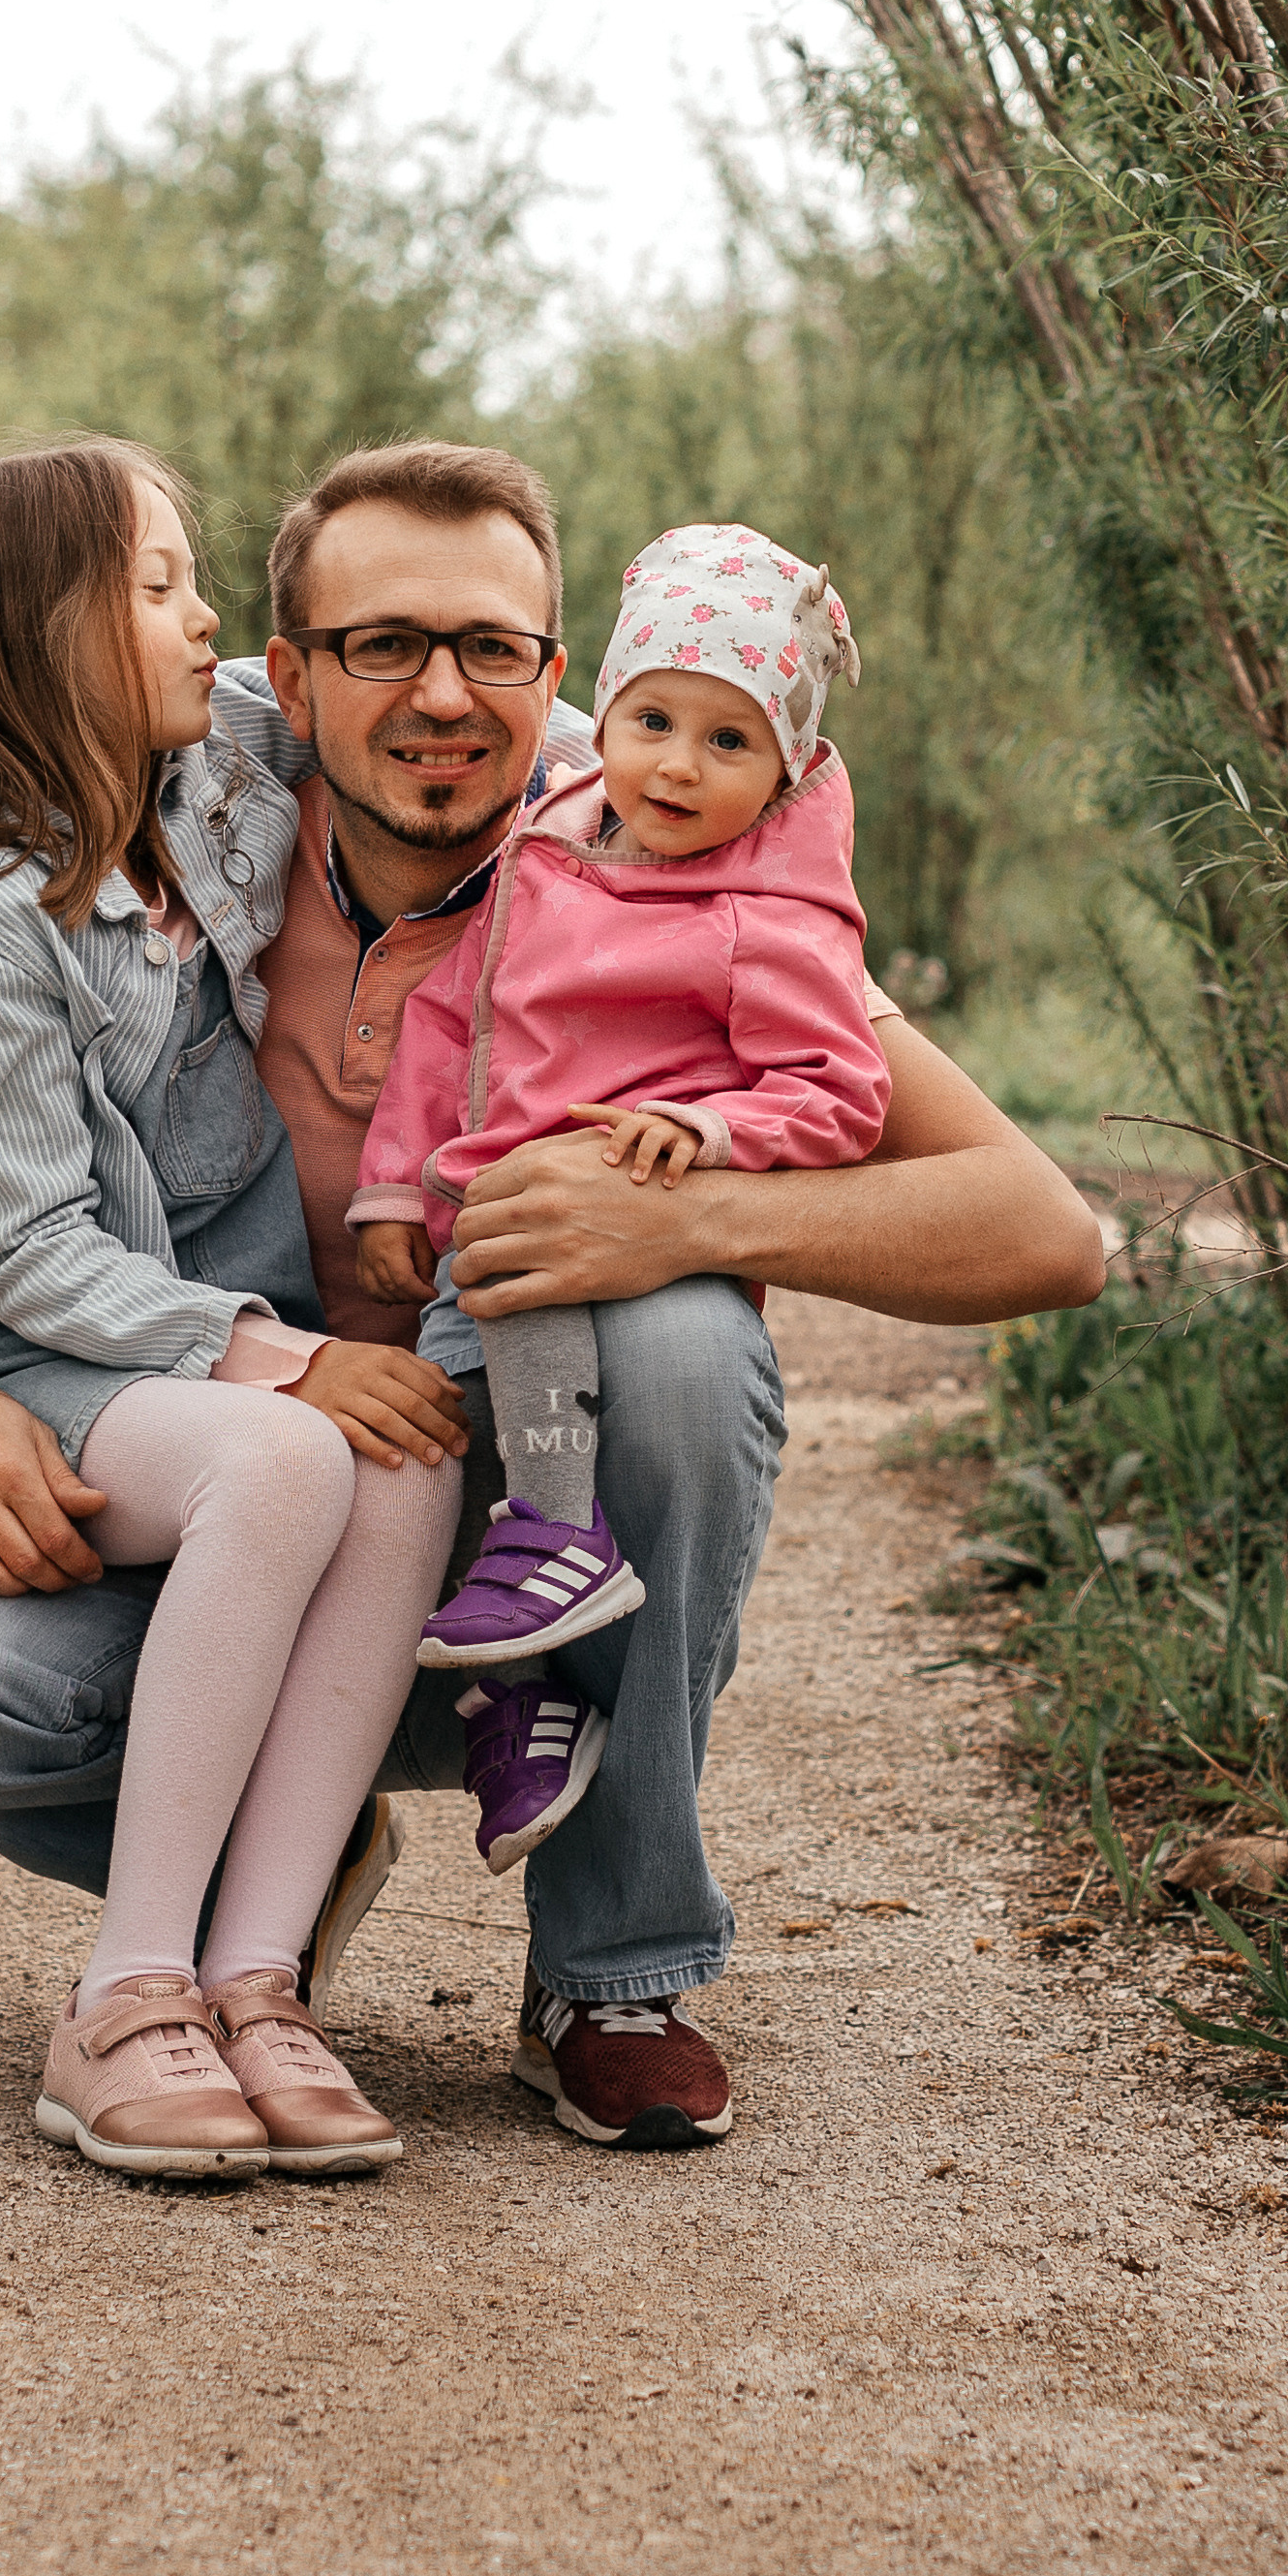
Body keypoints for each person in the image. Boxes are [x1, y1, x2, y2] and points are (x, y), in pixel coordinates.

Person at [0, 440, 1106, 2155]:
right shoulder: (182, 801)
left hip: (523, 1549)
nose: (442, 696)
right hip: (243, 1506)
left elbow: (1041, 1230)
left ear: (562, 670)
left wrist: (687, 1222)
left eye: (495, 648)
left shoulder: (665, 824)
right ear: (291, 668)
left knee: (685, 1343)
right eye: (382, 644)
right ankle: (255, 1886)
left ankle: (611, 1972)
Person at [0, 436, 467, 2185]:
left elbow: (407, 667)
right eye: (158, 586)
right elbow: (21, 1256)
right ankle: (124, 1994)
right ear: (32, 637)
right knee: (298, 1457)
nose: (210, 617)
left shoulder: (208, 763)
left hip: (207, 1364)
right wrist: (293, 1360)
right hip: (63, 1372)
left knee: (400, 1466)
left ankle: (262, 1981)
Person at [352, 526, 891, 1881]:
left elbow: (838, 1095)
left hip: (622, 1234)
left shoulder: (769, 915)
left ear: (786, 769)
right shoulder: (544, 849)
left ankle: (560, 1541)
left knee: (534, 1284)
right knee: (441, 1405)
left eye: (728, 743)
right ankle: (523, 1689)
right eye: (652, 720)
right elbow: (445, 1019)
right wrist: (387, 1182)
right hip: (484, 1228)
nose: (674, 766)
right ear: (608, 709)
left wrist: (703, 1128)